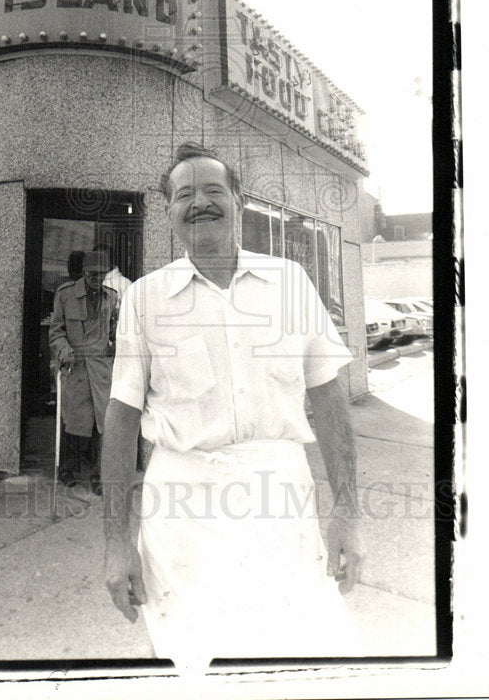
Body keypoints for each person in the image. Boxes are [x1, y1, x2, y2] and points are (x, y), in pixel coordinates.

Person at [102, 142, 364, 667]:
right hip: (180, 513)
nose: (199, 202)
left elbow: (329, 396)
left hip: (280, 506)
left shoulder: (290, 282)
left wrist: (348, 514)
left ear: (239, 201)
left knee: (293, 656)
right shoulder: (145, 298)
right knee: (188, 661)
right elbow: (122, 417)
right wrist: (116, 542)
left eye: (213, 190)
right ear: (170, 212)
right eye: (184, 194)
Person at [49, 249, 119, 492]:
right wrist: (63, 350)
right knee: (72, 421)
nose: (97, 280)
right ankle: (67, 469)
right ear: (83, 273)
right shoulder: (65, 295)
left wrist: (117, 345)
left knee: (103, 425)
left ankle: (99, 476)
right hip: (75, 366)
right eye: (92, 275)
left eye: (102, 275)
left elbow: (115, 332)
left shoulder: (111, 298)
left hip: (100, 370)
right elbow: (56, 331)